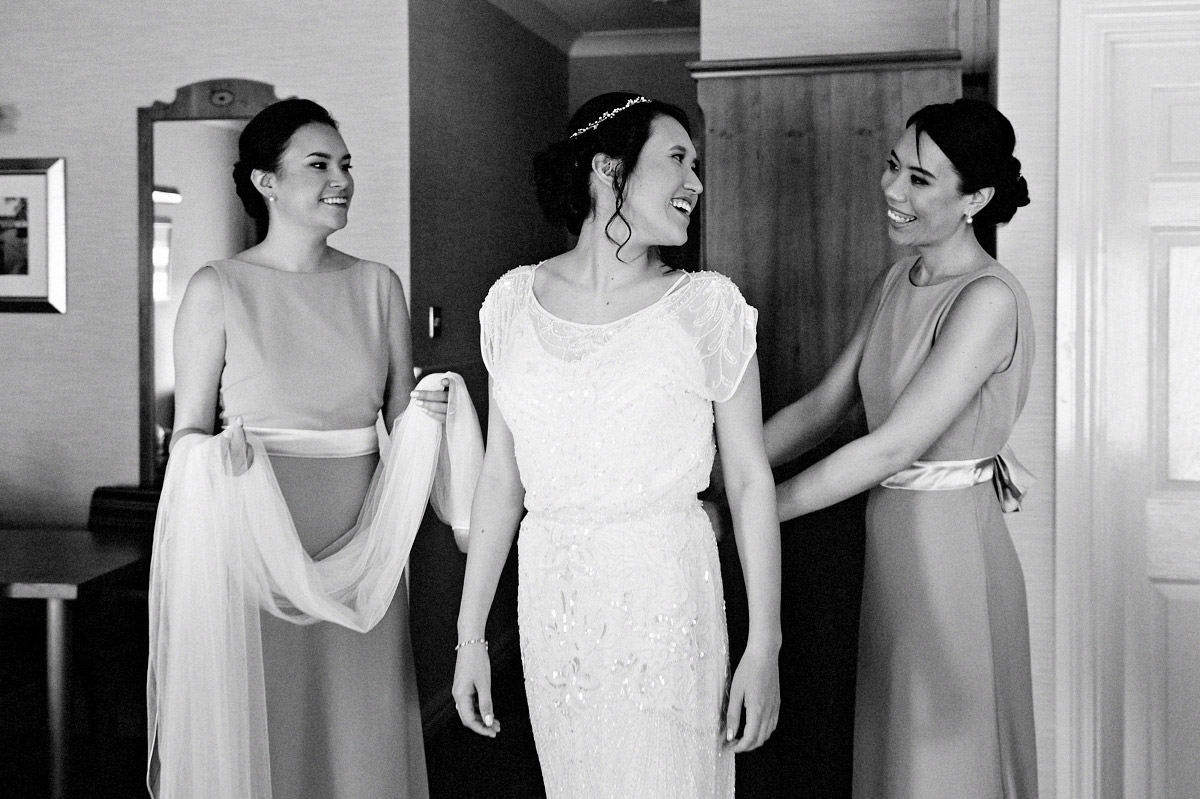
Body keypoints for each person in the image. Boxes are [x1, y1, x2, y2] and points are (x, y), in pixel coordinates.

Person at [451, 92, 782, 798]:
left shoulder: (707, 307)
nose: (696, 181)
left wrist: (765, 642)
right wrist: (470, 637)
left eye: (698, 165)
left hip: (665, 594)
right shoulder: (510, 303)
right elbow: (499, 485)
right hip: (554, 602)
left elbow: (751, 481)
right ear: (608, 169)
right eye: (677, 159)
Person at [147, 98, 470, 799]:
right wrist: (213, 456)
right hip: (256, 541)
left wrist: (431, 414)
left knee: (361, 729)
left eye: (346, 164)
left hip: (363, 552)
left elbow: (398, 424)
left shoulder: (378, 285)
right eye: (319, 164)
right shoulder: (218, 288)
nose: (342, 179)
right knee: (270, 725)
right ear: (266, 182)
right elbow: (191, 432)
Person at [764, 98, 1037, 798]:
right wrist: (709, 470)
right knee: (894, 753)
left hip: (950, 555)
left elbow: (891, 448)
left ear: (974, 197)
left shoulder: (988, 300)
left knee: (942, 759)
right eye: (892, 165)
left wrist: (753, 509)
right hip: (890, 544)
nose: (891, 188)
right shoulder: (896, 280)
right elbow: (825, 406)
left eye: (919, 179)